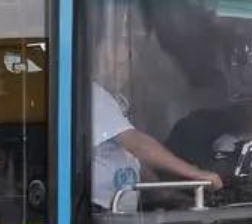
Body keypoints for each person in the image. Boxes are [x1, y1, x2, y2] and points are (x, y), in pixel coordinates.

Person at [92, 83, 221, 211]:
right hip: (96, 211)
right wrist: (196, 174)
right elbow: (137, 145)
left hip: (121, 212)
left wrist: (164, 194)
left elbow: (128, 156)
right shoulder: (93, 93)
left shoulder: (107, 96)